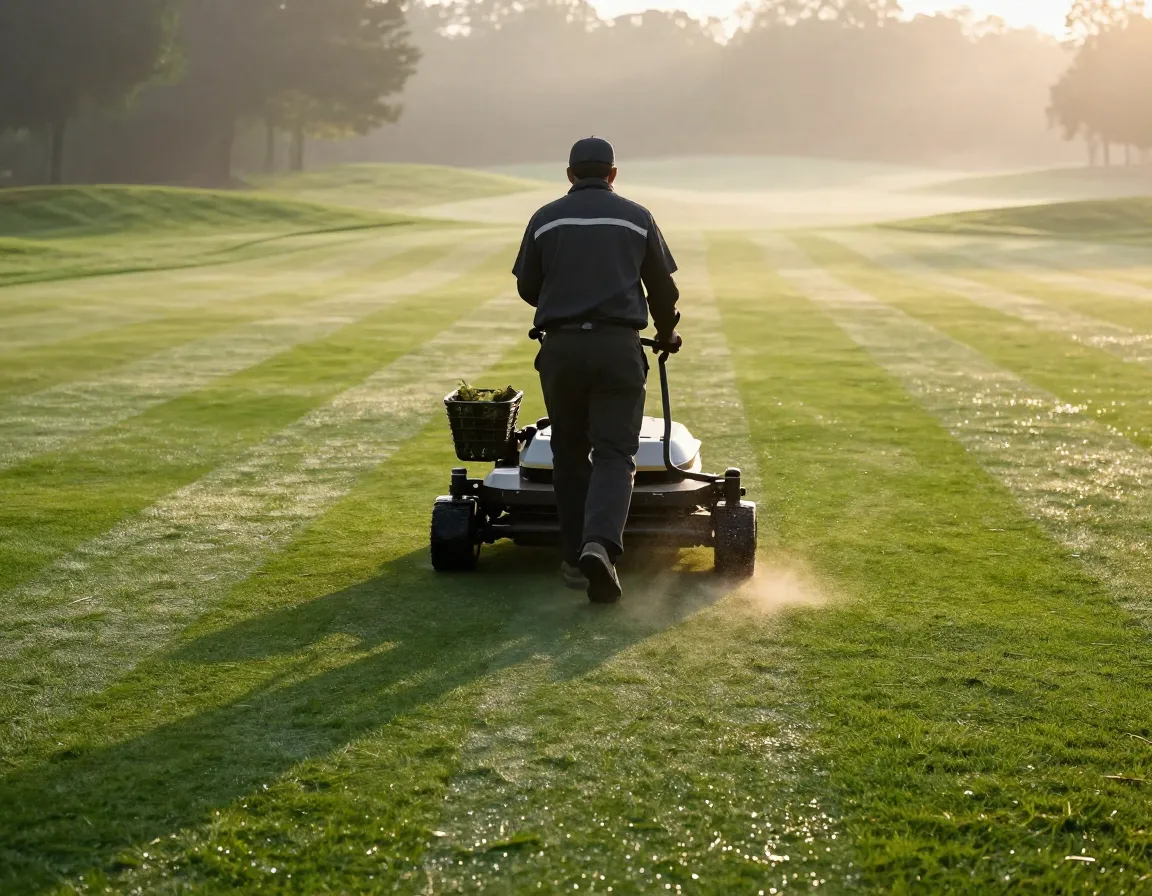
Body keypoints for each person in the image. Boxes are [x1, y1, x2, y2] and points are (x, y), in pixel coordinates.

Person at [513, 137, 682, 604]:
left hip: (562, 348)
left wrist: (564, 299)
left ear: (569, 174)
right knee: (613, 452)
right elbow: (663, 291)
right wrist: (667, 332)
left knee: (569, 449)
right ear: (612, 173)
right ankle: (599, 544)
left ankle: (572, 558)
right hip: (617, 347)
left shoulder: (545, 218)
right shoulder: (636, 216)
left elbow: (529, 288)